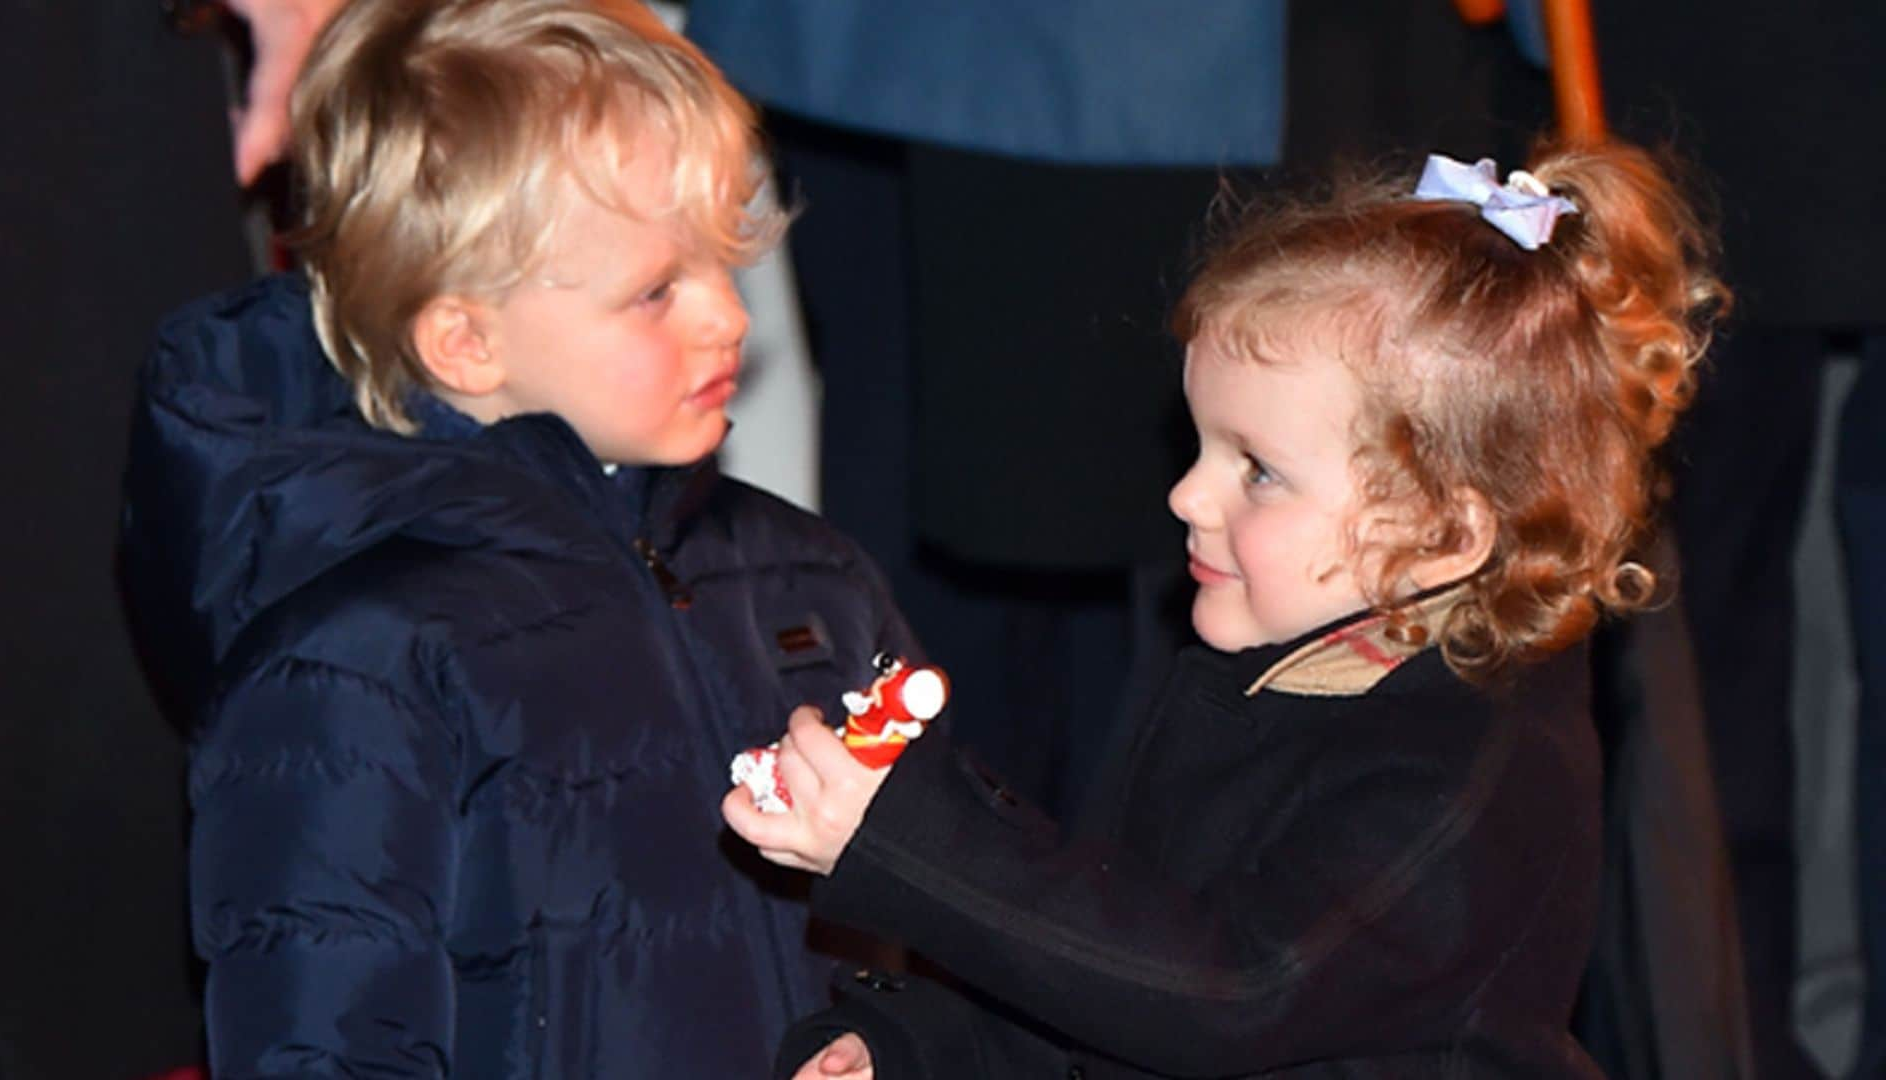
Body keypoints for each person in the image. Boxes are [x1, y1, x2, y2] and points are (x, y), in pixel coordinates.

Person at [724, 140, 1727, 1078]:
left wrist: (908, 839)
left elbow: (1230, 991)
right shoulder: (1255, 676)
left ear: (1443, 535)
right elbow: (1107, 966)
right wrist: (916, 1046)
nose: (1186, 497)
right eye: (1201, 446)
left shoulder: (1466, 768)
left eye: (1257, 470)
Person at [116, 0, 921, 1074]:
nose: (729, 318)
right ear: (465, 340)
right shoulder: (358, 659)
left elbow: (934, 930)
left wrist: (900, 1038)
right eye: (657, 290)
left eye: (725, 264)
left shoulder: (806, 581)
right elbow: (326, 1036)